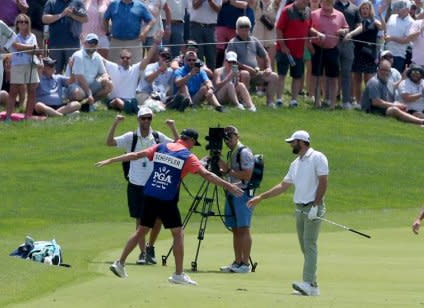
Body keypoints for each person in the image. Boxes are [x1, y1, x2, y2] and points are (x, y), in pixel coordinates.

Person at [98, 128, 242, 284]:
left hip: (150, 194)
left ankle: (120, 263)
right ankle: (178, 274)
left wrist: (111, 160)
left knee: (142, 230)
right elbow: (206, 174)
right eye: (194, 144)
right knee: (178, 234)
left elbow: (136, 155)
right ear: (191, 141)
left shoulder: (161, 147)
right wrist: (228, 185)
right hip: (166, 199)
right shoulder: (187, 156)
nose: (193, 147)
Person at [248, 130, 329, 297]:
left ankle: (308, 283)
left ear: (302, 142)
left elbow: (323, 181)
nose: (291, 144)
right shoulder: (295, 163)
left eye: (293, 142)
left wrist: (316, 204)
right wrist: (261, 197)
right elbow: (283, 186)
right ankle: (312, 285)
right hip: (300, 208)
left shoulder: (317, 157)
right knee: (304, 246)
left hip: (313, 207)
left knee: (310, 244)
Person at [105, 111, 179, 266]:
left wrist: (173, 127)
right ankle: (143, 253)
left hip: (155, 183)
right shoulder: (130, 137)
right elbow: (110, 142)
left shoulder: (157, 137)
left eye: (149, 118)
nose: (146, 121)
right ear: (138, 119)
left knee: (158, 218)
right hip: (136, 183)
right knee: (140, 219)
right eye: (143, 118)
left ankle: (150, 247)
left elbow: (177, 146)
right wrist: (115, 123)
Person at [218, 126, 255, 273]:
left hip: (243, 193)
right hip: (232, 192)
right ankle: (237, 261)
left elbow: (247, 175)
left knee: (243, 228)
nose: (227, 140)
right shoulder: (231, 152)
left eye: (230, 136)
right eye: (225, 137)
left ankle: (245, 264)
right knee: (235, 229)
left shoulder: (244, 152)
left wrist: (227, 170)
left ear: (237, 136)